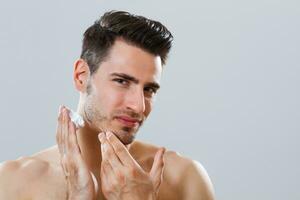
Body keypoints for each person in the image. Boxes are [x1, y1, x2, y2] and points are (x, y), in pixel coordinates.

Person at [0, 10, 215, 200]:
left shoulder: (185, 179)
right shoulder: (13, 183)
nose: (139, 106)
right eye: (122, 81)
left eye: (149, 89)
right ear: (81, 76)